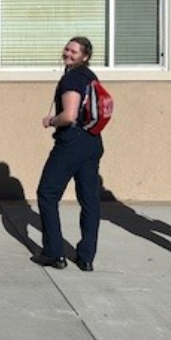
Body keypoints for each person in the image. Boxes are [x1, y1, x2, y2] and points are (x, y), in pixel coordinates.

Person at [35, 37, 105, 272]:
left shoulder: (72, 78)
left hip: (72, 142)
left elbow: (70, 115)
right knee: (89, 200)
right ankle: (86, 257)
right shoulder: (90, 77)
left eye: (74, 51)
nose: (68, 53)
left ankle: (54, 254)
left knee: (47, 193)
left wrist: (51, 121)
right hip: (92, 142)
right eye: (67, 49)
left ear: (84, 56)